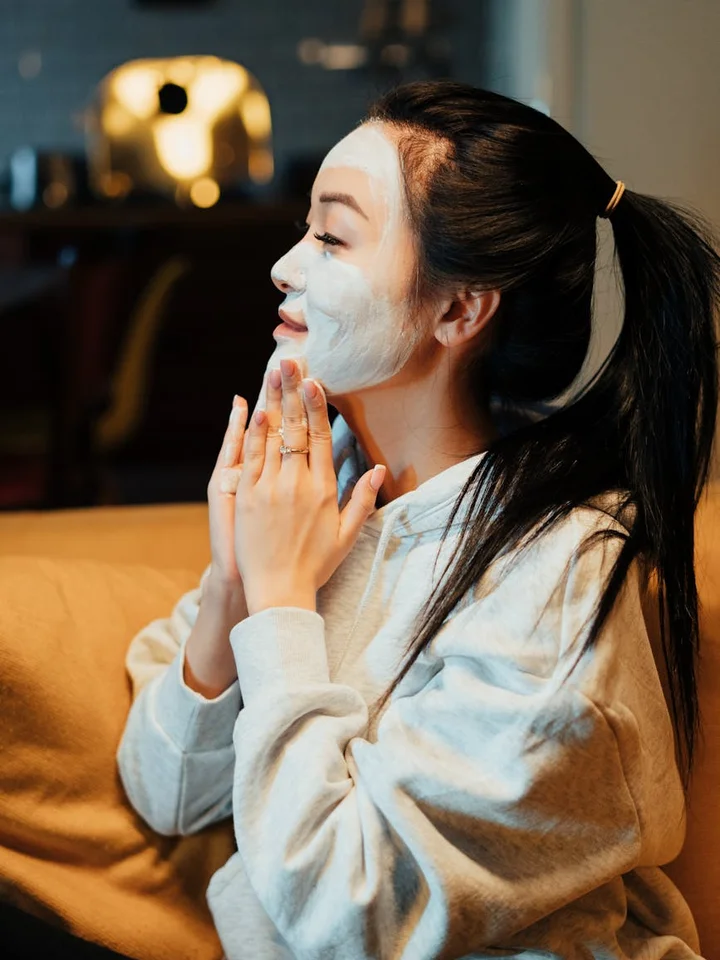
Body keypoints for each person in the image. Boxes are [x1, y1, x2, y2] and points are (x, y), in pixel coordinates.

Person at [117, 79, 719, 959]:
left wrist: (283, 600)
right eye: (304, 230)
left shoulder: (557, 580)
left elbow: (347, 920)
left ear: (460, 309)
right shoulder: (325, 492)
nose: (287, 266)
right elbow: (164, 792)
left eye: (332, 236)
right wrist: (235, 589)